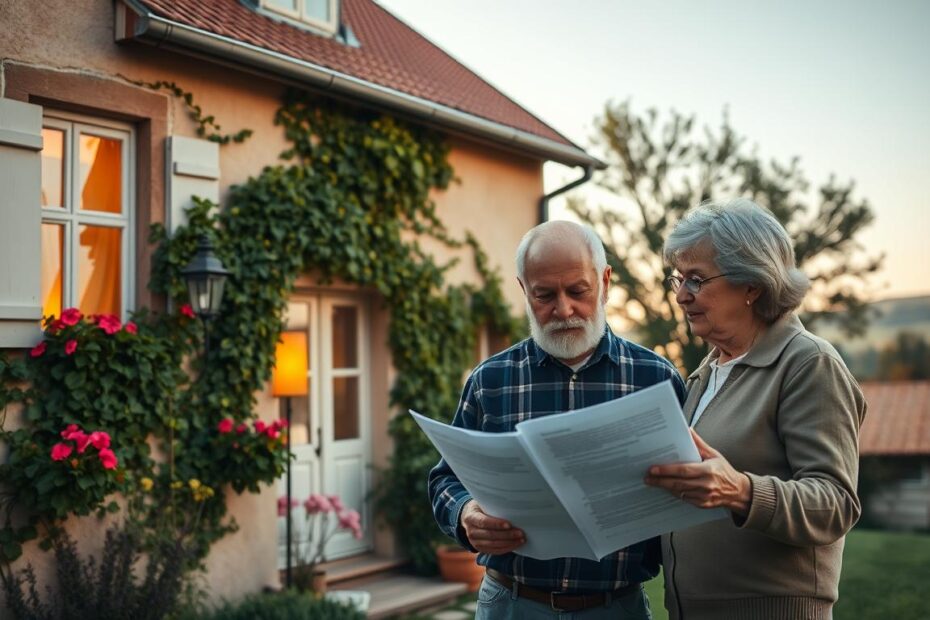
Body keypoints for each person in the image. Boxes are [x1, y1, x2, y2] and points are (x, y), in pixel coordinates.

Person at [428, 220, 686, 619]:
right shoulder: (490, 381)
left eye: (578, 291)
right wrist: (464, 514)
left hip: (616, 606)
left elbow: (690, 490)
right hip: (512, 603)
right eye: (544, 295)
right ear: (523, 290)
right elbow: (445, 478)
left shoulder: (656, 378)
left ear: (605, 281)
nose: (563, 310)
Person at [643, 198, 866, 619]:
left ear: (752, 284)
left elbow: (836, 504)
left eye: (696, 280)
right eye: (678, 279)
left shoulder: (808, 363)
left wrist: (741, 491)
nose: (681, 297)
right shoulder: (708, 370)